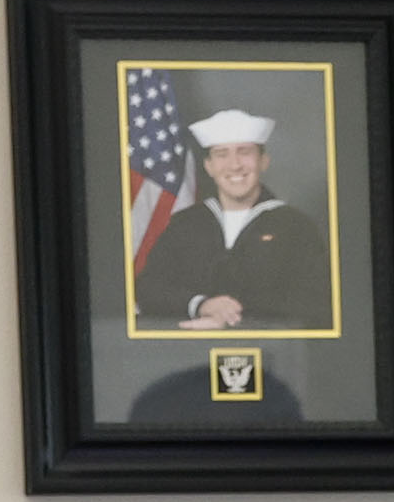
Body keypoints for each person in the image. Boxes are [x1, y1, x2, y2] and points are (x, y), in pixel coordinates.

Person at [133, 107, 333, 333]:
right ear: (209, 166)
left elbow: (316, 302)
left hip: (273, 352)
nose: (235, 165)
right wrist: (201, 306)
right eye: (222, 154)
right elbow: (148, 288)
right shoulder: (184, 224)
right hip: (190, 352)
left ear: (264, 161)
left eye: (245, 152)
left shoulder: (296, 227)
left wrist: (233, 315)